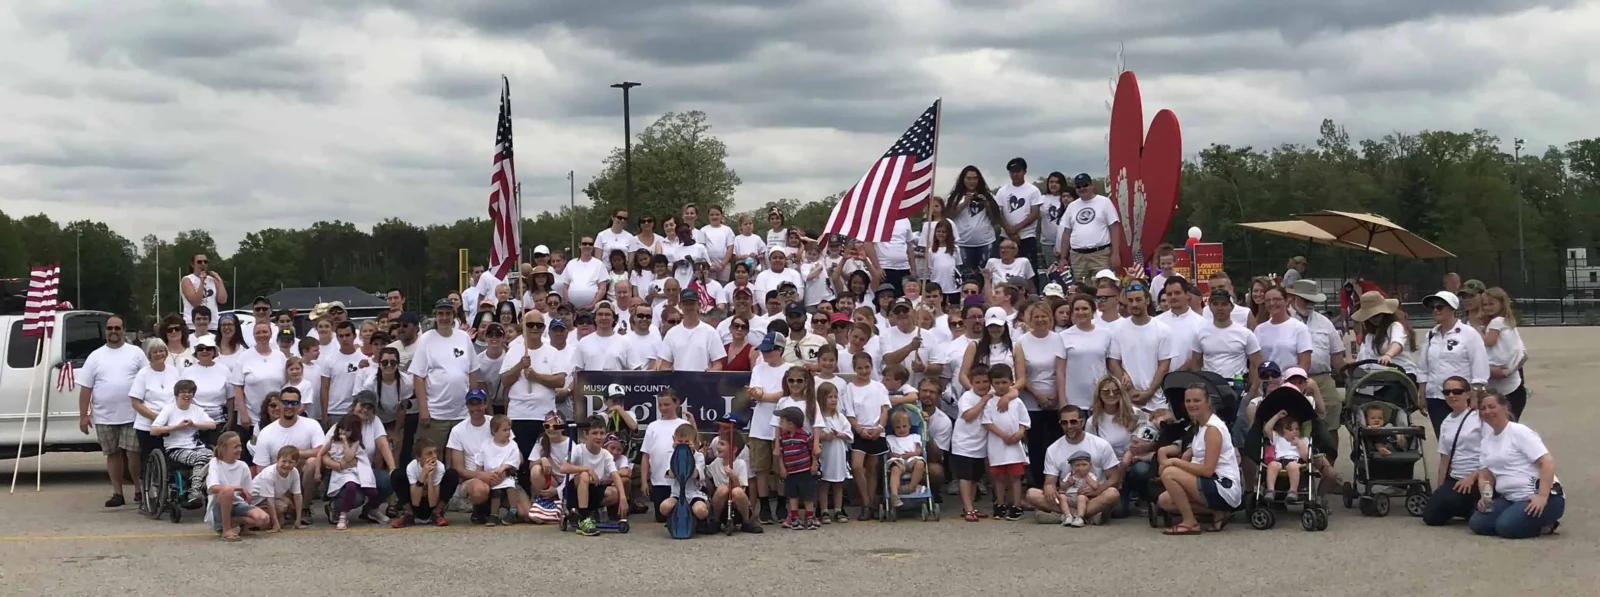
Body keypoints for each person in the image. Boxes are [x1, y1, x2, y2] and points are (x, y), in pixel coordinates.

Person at [1470, 391, 1564, 539]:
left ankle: (1546, 525)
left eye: (1492, 407)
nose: (1487, 411)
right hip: (1510, 498)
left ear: (1505, 408)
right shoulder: (1486, 442)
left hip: (1541, 497)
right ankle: (1516, 518)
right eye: (1483, 408)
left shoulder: (1520, 432)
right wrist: (1486, 498)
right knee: (1478, 523)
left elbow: (1547, 462)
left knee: (1506, 527)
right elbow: (1485, 476)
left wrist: (1541, 496)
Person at [77, 315, 148, 507]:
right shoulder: (95, 356)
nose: (114, 332)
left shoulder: (136, 353)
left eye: (118, 328)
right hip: (104, 415)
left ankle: (139, 490)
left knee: (134, 453)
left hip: (133, 413)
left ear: (124, 330)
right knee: (112, 454)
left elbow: (147, 380)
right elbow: (85, 388)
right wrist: (83, 416)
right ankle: (117, 493)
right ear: (106, 331)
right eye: (110, 328)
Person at [1158, 384, 1244, 534]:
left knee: (1169, 473)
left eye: (1197, 400)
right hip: (1209, 483)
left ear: (1208, 402)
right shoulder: (1200, 426)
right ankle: (1218, 513)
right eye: (1188, 401)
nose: (1191, 404)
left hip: (1223, 485)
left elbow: (1207, 470)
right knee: (1165, 500)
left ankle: (1190, 522)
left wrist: (1175, 462)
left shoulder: (1213, 429)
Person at [1028, 404, 1122, 525]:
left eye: (1073, 422)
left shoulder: (1101, 444)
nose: (1069, 426)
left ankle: (1063, 516)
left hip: (1093, 497)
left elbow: (1114, 477)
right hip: (1067, 497)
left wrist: (1098, 490)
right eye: (1064, 423)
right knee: (1032, 494)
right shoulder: (1053, 449)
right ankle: (1085, 516)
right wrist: (1049, 488)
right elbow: (1050, 481)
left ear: (1082, 422)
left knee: (1112, 494)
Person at [411, 298, 482, 450]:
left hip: (462, 414)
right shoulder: (426, 340)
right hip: (435, 414)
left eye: (448, 314)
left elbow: (472, 372)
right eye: (440, 314)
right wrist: (424, 410)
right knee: (430, 457)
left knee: (461, 458)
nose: (444, 318)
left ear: (454, 316)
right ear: (435, 316)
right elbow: (418, 377)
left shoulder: (464, 338)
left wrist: (473, 403)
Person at [1285, 280, 1346, 450]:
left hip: (1322, 378)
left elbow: (1336, 355)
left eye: (1312, 300)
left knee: (1331, 419)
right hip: (1292, 379)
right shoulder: (1283, 320)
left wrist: (1348, 377)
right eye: (1306, 300)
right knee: (1291, 424)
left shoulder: (1324, 322)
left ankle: (1329, 468)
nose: (1310, 304)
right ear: (1294, 297)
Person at [1419, 291, 1489, 435]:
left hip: (1461, 397)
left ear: (1452, 309)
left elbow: (1479, 366)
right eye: (1433, 307)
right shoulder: (1431, 335)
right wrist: (1422, 394)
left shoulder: (1469, 334)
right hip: (1436, 397)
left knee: (1464, 437)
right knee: (1443, 438)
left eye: (1440, 307)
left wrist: (1475, 396)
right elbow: (1423, 368)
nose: (1436, 310)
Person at [1422, 376, 1484, 527]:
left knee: (1452, 502)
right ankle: (1467, 508)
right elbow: (1445, 459)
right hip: (1456, 477)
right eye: (1447, 392)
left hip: (1478, 477)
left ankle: (1476, 505)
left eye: (1457, 391)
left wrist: (1472, 476)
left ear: (1468, 394)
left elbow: (1493, 454)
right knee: (1431, 516)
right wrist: (1439, 489)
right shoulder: (1446, 422)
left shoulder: (1479, 418)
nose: (1451, 395)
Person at [1186, 288, 1263, 398]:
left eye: (1224, 304)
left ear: (1231, 307)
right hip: (1211, 387)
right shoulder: (1200, 333)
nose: (1220, 308)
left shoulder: (1245, 334)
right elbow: (1196, 363)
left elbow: (1256, 364)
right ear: (1210, 307)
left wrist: (1252, 392)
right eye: (1215, 304)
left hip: (1237, 385)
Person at [152, 379, 217, 509]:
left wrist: (195, 424)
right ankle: (195, 491)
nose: (187, 395)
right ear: (177, 394)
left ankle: (200, 489)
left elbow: (213, 424)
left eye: (190, 392)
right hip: (176, 448)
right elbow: (154, 430)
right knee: (201, 458)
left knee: (212, 457)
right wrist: (177, 427)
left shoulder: (197, 410)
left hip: (196, 447)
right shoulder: (169, 409)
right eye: (183, 392)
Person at [744, 334, 788, 523]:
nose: (764, 353)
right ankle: (764, 507)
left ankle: (781, 503)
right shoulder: (759, 368)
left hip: (782, 424)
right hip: (760, 425)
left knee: (780, 469)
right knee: (761, 468)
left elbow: (786, 393)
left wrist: (763, 395)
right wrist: (761, 395)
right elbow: (756, 392)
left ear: (779, 350)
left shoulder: (790, 370)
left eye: (768, 350)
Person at [1109, 284, 1173, 415]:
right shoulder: (1118, 329)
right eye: (1130, 300)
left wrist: (1149, 392)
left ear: (1147, 301)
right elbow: (1113, 362)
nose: (1134, 304)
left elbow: (1164, 365)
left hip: (1156, 401)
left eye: (1138, 300)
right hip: (1127, 400)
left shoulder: (1162, 329)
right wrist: (1130, 390)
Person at [560, 416, 626, 536]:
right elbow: (563, 468)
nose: (599, 437)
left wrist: (622, 497)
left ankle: (588, 512)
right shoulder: (578, 449)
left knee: (615, 492)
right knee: (584, 475)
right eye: (594, 433)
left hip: (593, 489)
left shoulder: (606, 454)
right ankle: (584, 519)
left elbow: (615, 475)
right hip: (574, 491)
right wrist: (587, 469)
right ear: (586, 435)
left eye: (602, 433)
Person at [845, 351, 891, 520]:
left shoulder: (879, 387)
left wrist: (879, 427)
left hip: (877, 430)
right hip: (859, 431)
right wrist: (859, 429)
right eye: (860, 368)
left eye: (867, 367)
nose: (864, 371)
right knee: (857, 466)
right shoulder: (849, 388)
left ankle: (871, 503)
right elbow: (849, 413)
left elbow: (884, 409)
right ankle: (865, 501)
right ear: (854, 369)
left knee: (872, 468)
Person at [981, 364, 1028, 521]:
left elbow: (1024, 422)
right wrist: (1002, 435)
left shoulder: (1017, 401)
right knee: (999, 478)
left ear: (1011, 382)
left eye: (1004, 382)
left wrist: (1019, 433)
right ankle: (1000, 504)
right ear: (992, 383)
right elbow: (987, 422)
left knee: (1015, 477)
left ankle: (1016, 505)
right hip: (997, 445)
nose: (1001, 386)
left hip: (1014, 446)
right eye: (997, 383)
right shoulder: (988, 401)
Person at [1057, 173, 1123, 284]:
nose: (1082, 188)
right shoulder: (1072, 206)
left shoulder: (1104, 202)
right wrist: (1063, 257)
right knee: (1081, 290)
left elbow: (1114, 228)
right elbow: (1066, 233)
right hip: (1077, 256)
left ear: (1092, 186)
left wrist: (1115, 253)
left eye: (1085, 185)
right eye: (1078, 186)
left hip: (1100, 254)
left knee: (1103, 286)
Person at [231, 322, 287, 453]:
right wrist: (243, 414)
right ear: (253, 335)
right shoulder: (244, 357)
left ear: (271, 334)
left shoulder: (280, 356)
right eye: (258, 333)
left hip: (276, 416)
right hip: (252, 417)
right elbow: (238, 388)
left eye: (265, 332)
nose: (262, 335)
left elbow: (285, 386)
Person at [204, 431, 270, 540]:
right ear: (224, 449)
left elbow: (249, 493)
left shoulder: (243, 466)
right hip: (219, 505)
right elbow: (213, 488)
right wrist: (238, 488)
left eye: (240, 446)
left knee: (264, 519)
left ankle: (236, 521)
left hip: (237, 504)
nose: (239, 449)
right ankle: (226, 529)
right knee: (227, 490)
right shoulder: (215, 463)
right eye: (235, 447)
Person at [1480, 288, 1529, 419]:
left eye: (1491, 304)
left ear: (1501, 303)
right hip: (1506, 381)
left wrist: (1477, 333)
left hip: (1503, 378)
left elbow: (1490, 341)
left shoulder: (1496, 322)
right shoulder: (1506, 322)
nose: (1487, 307)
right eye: (1485, 304)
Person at [1060, 295, 1114, 410]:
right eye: (1077, 309)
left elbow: (1111, 365)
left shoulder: (1106, 334)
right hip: (1073, 400)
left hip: (1100, 398)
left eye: (1085, 308)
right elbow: (1060, 371)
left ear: (1092, 310)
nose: (1080, 312)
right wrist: (1063, 402)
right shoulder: (1063, 336)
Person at [130, 340, 180, 462]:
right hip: (148, 426)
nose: (159, 354)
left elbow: (179, 395)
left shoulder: (174, 371)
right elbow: (135, 402)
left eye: (161, 350)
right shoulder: (143, 374)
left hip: (170, 425)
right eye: (155, 352)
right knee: (149, 461)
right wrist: (156, 417)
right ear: (149, 355)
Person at [656, 423, 711, 527]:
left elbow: (695, 474)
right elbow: (671, 474)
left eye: (687, 442)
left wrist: (689, 454)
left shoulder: (698, 456)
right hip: (677, 494)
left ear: (694, 442)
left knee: (700, 510)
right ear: (674, 439)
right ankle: (675, 519)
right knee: (664, 507)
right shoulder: (670, 455)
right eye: (680, 441)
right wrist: (676, 456)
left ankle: (700, 519)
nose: (683, 444)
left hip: (695, 494)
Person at [776, 406, 820, 529]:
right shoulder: (783, 439)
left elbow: (813, 451)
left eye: (782, 422)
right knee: (792, 495)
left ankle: (810, 516)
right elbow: (780, 454)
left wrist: (814, 464)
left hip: (805, 471)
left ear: (790, 424)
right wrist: (782, 468)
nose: (780, 425)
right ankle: (795, 517)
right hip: (790, 473)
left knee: (808, 494)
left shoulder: (805, 436)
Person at [948, 165, 1001, 268]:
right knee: (966, 276)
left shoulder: (988, 196)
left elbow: (996, 217)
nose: (972, 181)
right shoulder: (954, 197)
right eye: (968, 178)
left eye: (975, 178)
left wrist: (987, 203)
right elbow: (949, 216)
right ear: (963, 179)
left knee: (985, 275)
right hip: (962, 243)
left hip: (986, 242)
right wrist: (964, 203)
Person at [660, 289, 726, 371]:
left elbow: (718, 364)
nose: (689, 307)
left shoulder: (711, 332)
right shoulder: (671, 333)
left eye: (692, 303)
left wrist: (711, 373)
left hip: (702, 382)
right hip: (678, 382)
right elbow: (664, 364)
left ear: (699, 305)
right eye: (686, 304)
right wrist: (667, 370)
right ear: (680, 305)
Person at [996, 157, 1044, 268]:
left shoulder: (1033, 190)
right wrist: (1010, 231)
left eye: (1018, 171)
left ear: (1024, 172)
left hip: (1027, 236)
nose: (1015, 175)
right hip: (1006, 236)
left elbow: (1035, 213)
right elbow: (998, 212)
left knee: (1029, 268)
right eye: (1012, 172)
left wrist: (1017, 228)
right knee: (1006, 267)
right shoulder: (1002, 191)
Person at [1253, 286, 1313, 373]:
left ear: (1286, 301)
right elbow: (1256, 362)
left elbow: (1305, 363)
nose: (1272, 303)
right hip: (1267, 382)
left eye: (1276, 299)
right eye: (1268, 300)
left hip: (1290, 382)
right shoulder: (1259, 329)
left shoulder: (1300, 328)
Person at [318, 321, 368, 423]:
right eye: (341, 336)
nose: (344, 339)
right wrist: (324, 415)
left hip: (356, 411)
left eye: (347, 335)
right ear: (337, 338)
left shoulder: (364, 360)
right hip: (334, 411)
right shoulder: (329, 360)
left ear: (354, 336)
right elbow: (324, 388)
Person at [392, 438, 448, 527]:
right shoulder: (412, 467)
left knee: (452, 474)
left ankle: (437, 513)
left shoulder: (440, 467)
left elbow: (433, 502)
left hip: (430, 505)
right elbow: (415, 502)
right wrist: (422, 475)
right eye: (429, 453)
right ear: (418, 457)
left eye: (435, 452)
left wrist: (430, 476)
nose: (434, 456)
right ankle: (408, 513)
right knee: (396, 474)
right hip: (416, 505)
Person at [251, 445, 306, 532]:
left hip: (271, 498)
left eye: (291, 462)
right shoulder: (269, 474)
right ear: (277, 460)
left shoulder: (294, 472)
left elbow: (298, 496)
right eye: (283, 461)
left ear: (296, 463)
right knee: (282, 507)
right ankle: (250, 520)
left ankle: (264, 521)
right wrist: (275, 525)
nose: (286, 465)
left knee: (284, 512)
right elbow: (270, 499)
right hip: (255, 500)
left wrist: (298, 520)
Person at [883, 408, 926, 509]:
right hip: (898, 461)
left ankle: (911, 487)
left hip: (912, 459)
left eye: (904, 426)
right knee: (895, 469)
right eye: (898, 427)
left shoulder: (914, 436)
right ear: (893, 428)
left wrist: (912, 454)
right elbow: (888, 453)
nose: (901, 429)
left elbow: (919, 450)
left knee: (920, 464)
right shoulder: (890, 438)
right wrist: (893, 455)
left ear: (910, 426)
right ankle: (894, 495)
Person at [1261, 410, 1307, 503]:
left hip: (1296, 461)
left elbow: (1306, 457)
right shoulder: (1278, 438)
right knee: (1272, 465)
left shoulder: (1303, 440)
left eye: (1297, 429)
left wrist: (1299, 443)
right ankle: (1270, 490)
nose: (1294, 432)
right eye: (1290, 429)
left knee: (1292, 466)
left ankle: (1293, 491)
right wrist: (1277, 416)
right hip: (1279, 461)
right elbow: (1267, 429)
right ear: (1282, 431)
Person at [181, 253, 227, 332]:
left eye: (205, 262)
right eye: (199, 262)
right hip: (193, 325)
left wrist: (219, 281)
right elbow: (195, 302)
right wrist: (202, 282)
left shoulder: (211, 280)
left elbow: (222, 300)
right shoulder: (187, 280)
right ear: (193, 264)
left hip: (212, 324)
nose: (203, 264)